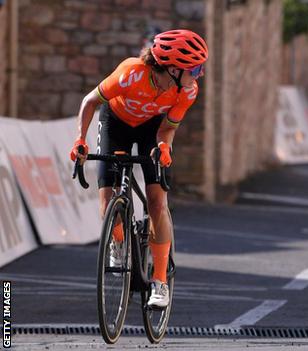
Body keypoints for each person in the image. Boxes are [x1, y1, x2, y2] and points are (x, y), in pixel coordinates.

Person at [69, 29, 208, 307]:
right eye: (195, 68)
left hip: (152, 131)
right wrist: (80, 140)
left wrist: (165, 147)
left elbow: (168, 128)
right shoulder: (131, 72)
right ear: (172, 68)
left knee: (157, 202)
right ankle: (117, 239)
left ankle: (159, 282)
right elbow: (90, 101)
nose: (199, 74)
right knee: (108, 196)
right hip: (116, 123)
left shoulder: (188, 90)